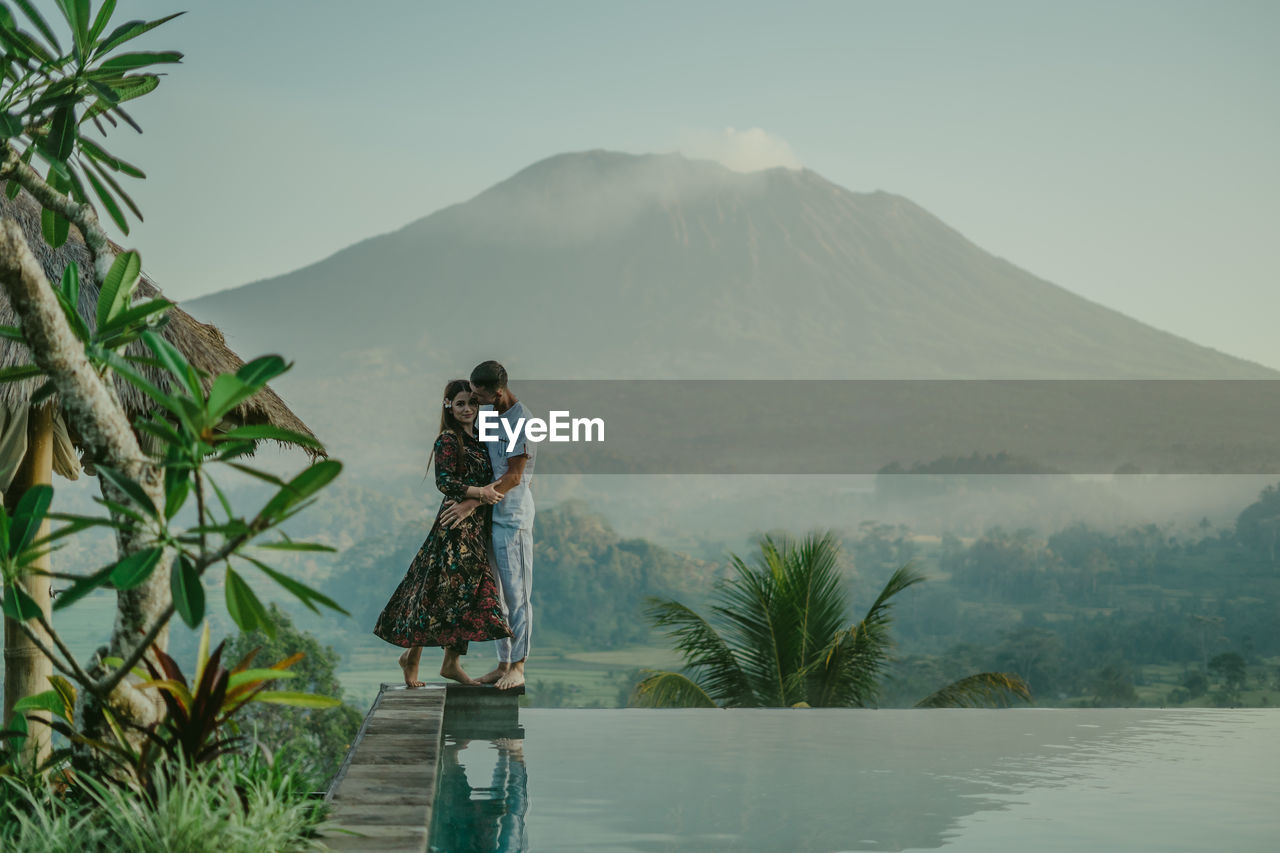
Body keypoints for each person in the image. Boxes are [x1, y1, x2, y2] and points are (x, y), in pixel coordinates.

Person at [373, 379, 512, 687]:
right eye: (460, 403)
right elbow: (445, 482)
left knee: (465, 595)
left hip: (475, 528)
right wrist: (480, 493)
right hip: (452, 527)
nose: (467, 409)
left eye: (472, 403)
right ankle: (413, 658)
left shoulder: (482, 438)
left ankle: (450, 663)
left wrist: (478, 499)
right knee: (436, 591)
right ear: (449, 406)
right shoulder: (447, 440)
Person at [441, 360, 534, 691]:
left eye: (479, 396)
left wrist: (471, 502)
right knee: (497, 597)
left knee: (518, 594)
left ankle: (519, 666)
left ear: (498, 391)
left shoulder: (522, 421)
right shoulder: (491, 414)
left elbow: (513, 476)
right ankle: (503, 663)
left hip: (512, 519)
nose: (475, 402)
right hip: (487, 519)